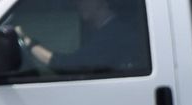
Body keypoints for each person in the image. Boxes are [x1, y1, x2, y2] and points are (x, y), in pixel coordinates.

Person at [15, 0, 149, 76]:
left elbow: (72, 65)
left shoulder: (115, 34)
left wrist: (29, 43)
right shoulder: (107, 31)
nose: (78, 3)